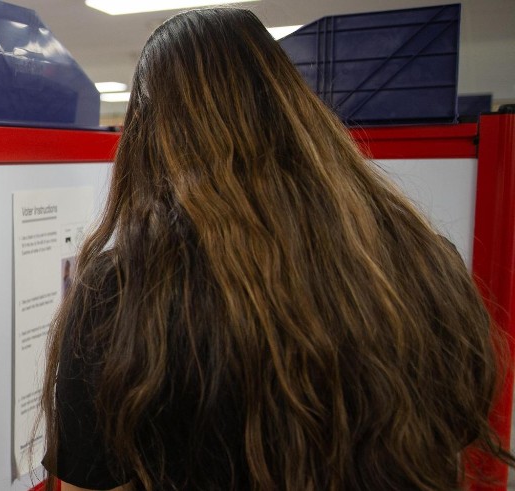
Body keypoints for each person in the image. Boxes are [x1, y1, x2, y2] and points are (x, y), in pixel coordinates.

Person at [40, 8, 513, 490]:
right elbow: (449, 444)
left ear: (151, 135)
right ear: (293, 108)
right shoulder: (421, 260)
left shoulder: (122, 290)